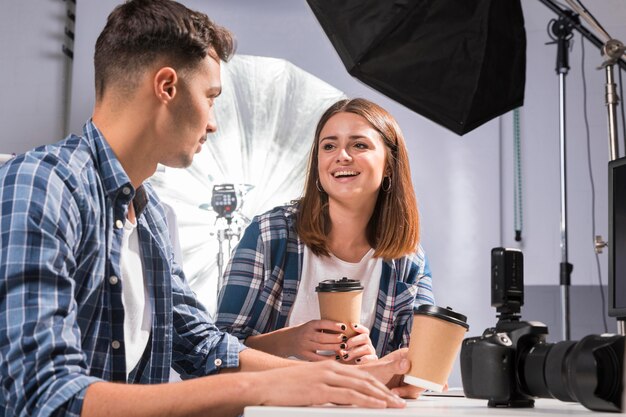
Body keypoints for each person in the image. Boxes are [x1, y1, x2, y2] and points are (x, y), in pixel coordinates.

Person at [0, 2, 415, 416]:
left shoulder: (151, 217)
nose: (213, 122)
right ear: (167, 87)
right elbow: (45, 395)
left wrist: (335, 381)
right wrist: (270, 383)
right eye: (210, 97)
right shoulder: (43, 184)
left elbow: (202, 346)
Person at [216, 98, 434, 364]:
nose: (342, 155)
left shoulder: (408, 261)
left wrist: (374, 364)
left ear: (389, 164)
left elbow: (419, 370)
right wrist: (289, 341)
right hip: (272, 405)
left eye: (359, 145)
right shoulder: (269, 234)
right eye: (329, 146)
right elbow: (216, 349)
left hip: (360, 406)